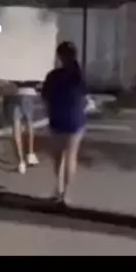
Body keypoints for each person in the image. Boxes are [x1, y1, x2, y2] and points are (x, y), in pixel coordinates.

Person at [42, 42, 88, 202]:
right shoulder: (78, 76)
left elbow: (45, 98)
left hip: (57, 119)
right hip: (75, 121)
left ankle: (58, 190)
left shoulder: (52, 76)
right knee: (71, 157)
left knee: (58, 157)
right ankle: (66, 194)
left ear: (59, 56)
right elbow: (84, 99)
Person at [3, 81, 40, 174]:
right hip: (29, 93)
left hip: (13, 94)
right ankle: (30, 153)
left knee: (16, 126)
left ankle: (21, 162)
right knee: (29, 123)